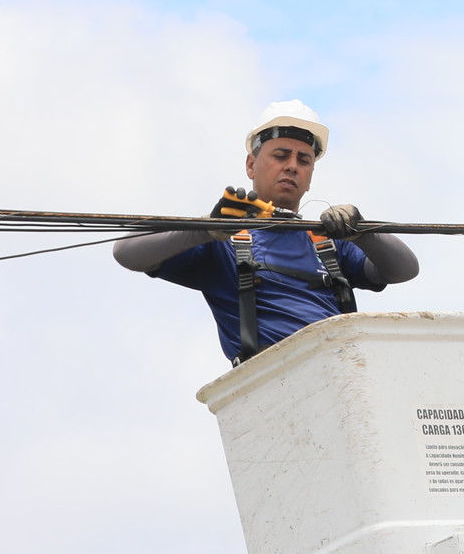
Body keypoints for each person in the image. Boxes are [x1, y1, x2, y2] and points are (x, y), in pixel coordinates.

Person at [113, 101, 420, 362]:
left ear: (311, 175)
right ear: (251, 165)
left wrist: (362, 231)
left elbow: (404, 270)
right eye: (280, 155)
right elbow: (126, 252)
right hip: (270, 384)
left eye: (304, 160)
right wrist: (206, 230)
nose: (291, 166)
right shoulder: (226, 244)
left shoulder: (328, 244)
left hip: (339, 372)